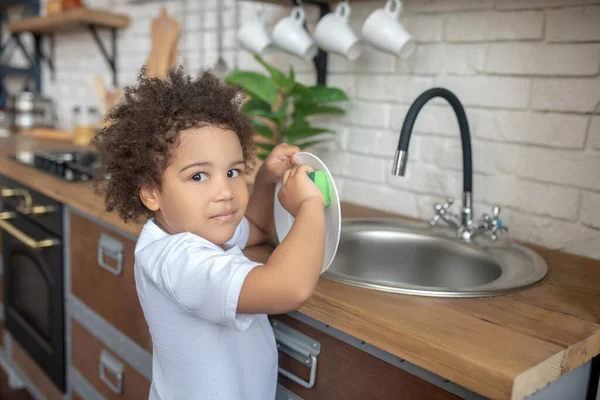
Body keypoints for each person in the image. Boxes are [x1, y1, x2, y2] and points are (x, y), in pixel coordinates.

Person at [91, 66, 326, 400]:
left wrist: (266, 181)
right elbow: (291, 288)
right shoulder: (181, 261)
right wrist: (309, 207)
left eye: (233, 171)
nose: (226, 192)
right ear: (151, 192)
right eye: (198, 176)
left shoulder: (195, 230)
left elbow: (256, 229)